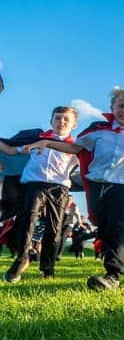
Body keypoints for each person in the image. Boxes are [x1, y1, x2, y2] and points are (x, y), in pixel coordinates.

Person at [23, 88, 124, 291]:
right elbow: (75, 148)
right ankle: (119, 251)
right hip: (98, 184)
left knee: (117, 226)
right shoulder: (97, 130)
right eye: (121, 106)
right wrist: (48, 143)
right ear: (112, 107)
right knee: (104, 227)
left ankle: (112, 275)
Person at [1, 106, 79, 282]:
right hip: (35, 184)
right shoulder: (35, 140)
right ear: (51, 121)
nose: (61, 122)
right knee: (28, 217)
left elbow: (89, 161)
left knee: (54, 226)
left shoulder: (74, 147)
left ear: (74, 124)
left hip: (59, 188)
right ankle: (22, 257)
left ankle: (47, 267)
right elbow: (12, 151)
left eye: (66, 119)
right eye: (57, 118)